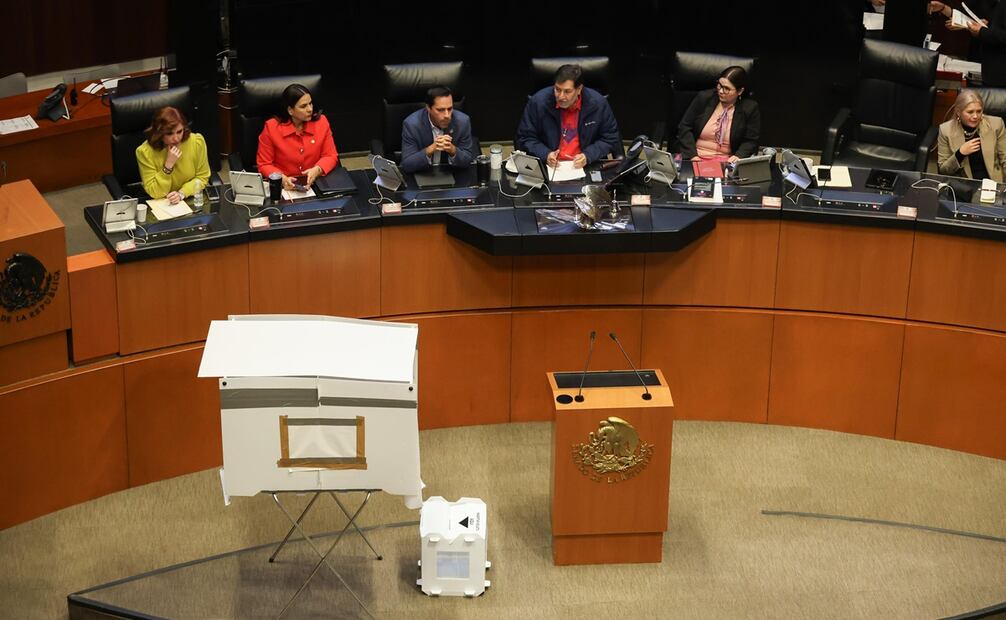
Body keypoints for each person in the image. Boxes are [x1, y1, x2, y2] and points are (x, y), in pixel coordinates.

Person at [516, 64, 622, 168]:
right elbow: (525, 138)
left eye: (567, 91)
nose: (561, 96)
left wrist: (588, 155)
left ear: (579, 89)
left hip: (586, 165)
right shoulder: (538, 102)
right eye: (557, 89)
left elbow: (610, 138)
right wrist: (546, 154)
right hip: (550, 166)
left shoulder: (598, 104)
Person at [257, 83, 338, 190]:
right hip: (284, 187)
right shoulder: (271, 128)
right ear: (290, 110)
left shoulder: (321, 122)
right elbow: (264, 164)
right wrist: (281, 178)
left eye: (310, 103)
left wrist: (317, 169)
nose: (310, 109)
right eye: (303, 106)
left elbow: (330, 155)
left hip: (316, 184)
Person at [677, 66, 760, 163]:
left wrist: (738, 156)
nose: (720, 91)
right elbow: (685, 127)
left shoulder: (750, 108)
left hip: (726, 161)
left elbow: (751, 140)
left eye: (726, 89)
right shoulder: (703, 98)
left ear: (740, 91)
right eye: (719, 85)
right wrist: (692, 156)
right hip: (695, 157)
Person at [135, 106, 210, 205]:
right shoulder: (145, 152)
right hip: (161, 204)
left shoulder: (196, 142)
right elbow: (155, 192)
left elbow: (202, 177)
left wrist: (181, 194)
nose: (176, 139)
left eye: (180, 131)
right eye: (169, 133)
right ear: (159, 133)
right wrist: (168, 165)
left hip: (190, 199)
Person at [399, 86, 476, 174]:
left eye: (450, 109)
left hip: (453, 174)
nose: (447, 115)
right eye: (440, 110)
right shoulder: (412, 125)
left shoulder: (463, 122)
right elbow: (407, 165)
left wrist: (452, 150)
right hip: (422, 174)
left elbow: (468, 161)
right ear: (428, 108)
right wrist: (431, 148)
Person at [930, 0, 1006, 86]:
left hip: (1000, 69)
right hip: (985, 63)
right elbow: (962, 13)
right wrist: (943, 8)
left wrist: (982, 31)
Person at [937, 88, 1006, 181]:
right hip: (965, 184)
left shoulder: (996, 124)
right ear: (958, 112)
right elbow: (943, 170)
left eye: (979, 111)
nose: (975, 116)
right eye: (970, 112)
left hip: (992, 182)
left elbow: (1005, 159)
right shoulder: (946, 130)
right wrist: (960, 153)